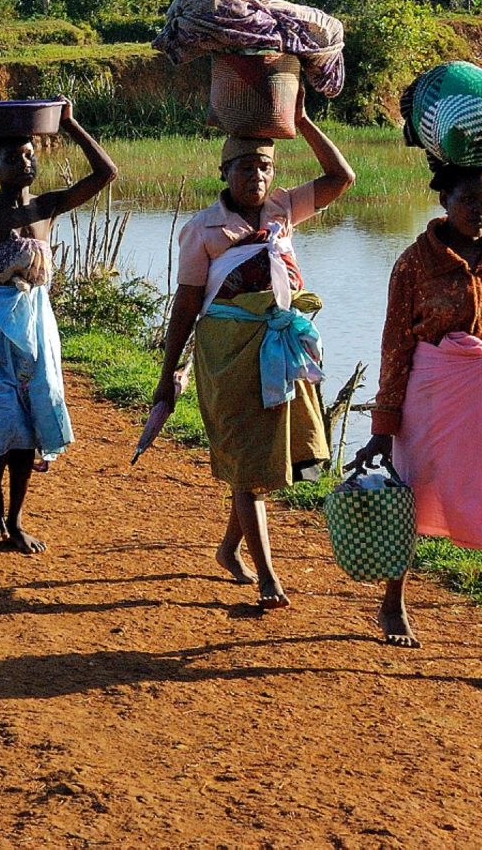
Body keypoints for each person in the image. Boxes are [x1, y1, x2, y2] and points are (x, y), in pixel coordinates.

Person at [350, 163, 482, 684]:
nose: (481, 210)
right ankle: (393, 601)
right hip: (429, 394)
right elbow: (396, 343)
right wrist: (385, 420)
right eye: (470, 199)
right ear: (445, 200)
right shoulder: (413, 264)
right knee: (412, 500)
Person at [149, 91, 354, 608]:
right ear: (226, 173)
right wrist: (168, 371)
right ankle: (268, 577)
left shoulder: (283, 207)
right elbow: (188, 303)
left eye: (264, 166)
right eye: (245, 167)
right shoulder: (203, 230)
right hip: (228, 354)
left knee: (265, 459)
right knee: (246, 461)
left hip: (278, 347)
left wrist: (303, 120)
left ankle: (227, 547)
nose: (256, 177)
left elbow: (341, 179)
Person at [0, 98, 117, 553]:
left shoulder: (46, 208)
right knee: (7, 422)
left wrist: (72, 123)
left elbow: (106, 174)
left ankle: (15, 518)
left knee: (32, 423)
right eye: (12, 157)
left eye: (29, 154)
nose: (24, 162)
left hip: (37, 328)